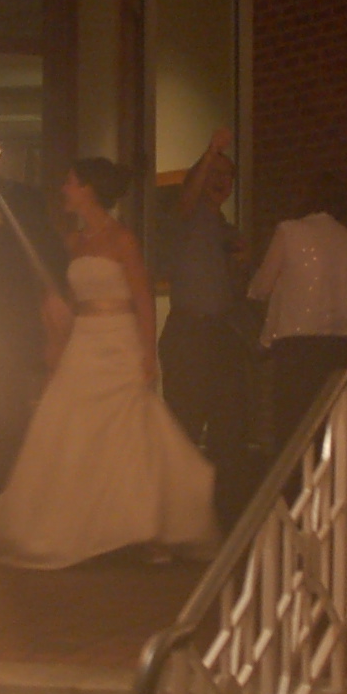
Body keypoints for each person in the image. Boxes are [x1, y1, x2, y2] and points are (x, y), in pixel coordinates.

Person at [0, 159, 218, 568]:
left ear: (90, 189)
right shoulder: (73, 241)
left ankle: (144, 527)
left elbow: (142, 298)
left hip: (119, 340)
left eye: (72, 182)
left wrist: (148, 352)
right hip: (85, 340)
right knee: (71, 426)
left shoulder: (122, 239)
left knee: (129, 431)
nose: (65, 189)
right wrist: (57, 340)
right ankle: (83, 522)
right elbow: (70, 298)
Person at [248, 180, 347, 452]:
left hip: (298, 345)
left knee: (293, 431)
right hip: (345, 346)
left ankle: (295, 480)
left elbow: (262, 287)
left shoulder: (289, 231)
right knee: (335, 433)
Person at [157, 129, 250, 478]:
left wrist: (241, 266)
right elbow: (187, 197)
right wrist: (212, 150)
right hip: (188, 331)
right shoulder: (185, 217)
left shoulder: (229, 230)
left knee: (227, 423)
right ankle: (174, 498)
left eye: (228, 176)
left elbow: (236, 293)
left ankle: (220, 499)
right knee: (184, 423)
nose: (221, 181)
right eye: (214, 173)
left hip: (221, 334)